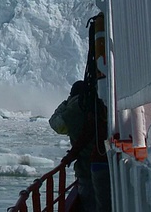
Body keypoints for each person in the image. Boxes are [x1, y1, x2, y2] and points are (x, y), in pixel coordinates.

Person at [61, 82, 112, 212]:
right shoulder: (101, 108)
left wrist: (71, 154)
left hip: (97, 163)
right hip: (103, 161)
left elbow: (86, 132)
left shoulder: (90, 108)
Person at [49, 80, 96, 212]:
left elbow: (56, 124)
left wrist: (64, 104)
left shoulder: (76, 106)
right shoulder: (93, 103)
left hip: (87, 168)